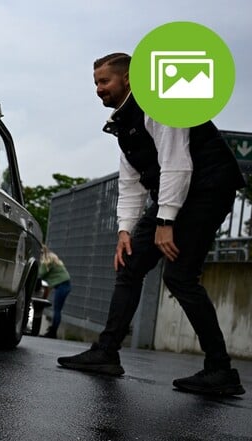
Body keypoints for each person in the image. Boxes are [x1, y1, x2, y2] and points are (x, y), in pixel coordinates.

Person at [57, 52, 246, 396]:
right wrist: (124, 231)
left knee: (180, 276)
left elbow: (178, 165)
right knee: (129, 263)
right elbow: (131, 182)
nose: (98, 89)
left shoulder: (159, 103)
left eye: (104, 81)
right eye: (96, 83)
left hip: (207, 188)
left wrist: (165, 220)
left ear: (127, 79)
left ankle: (220, 370)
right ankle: (106, 352)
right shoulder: (124, 123)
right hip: (177, 193)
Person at [38, 246, 71, 338]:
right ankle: (53, 331)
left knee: (57, 310)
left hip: (62, 286)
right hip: (66, 285)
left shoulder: (46, 260)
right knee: (57, 309)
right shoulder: (52, 257)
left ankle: (53, 332)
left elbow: (40, 274)